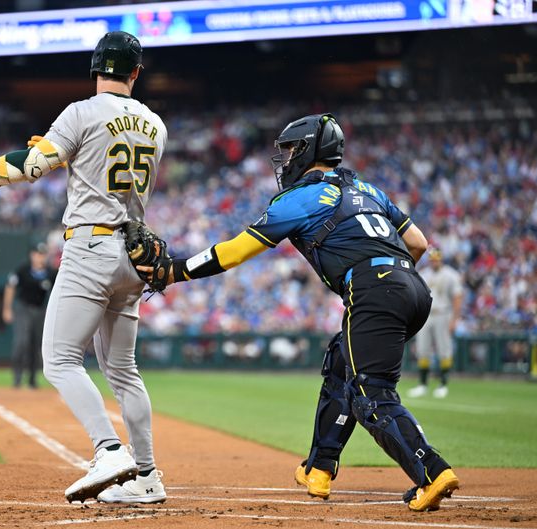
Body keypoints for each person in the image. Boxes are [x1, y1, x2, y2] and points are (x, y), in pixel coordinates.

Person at [144, 114, 459, 512]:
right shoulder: (366, 188)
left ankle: (432, 470)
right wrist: (390, 282)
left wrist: (175, 270)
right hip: (414, 288)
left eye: (291, 149)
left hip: (375, 290)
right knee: (341, 367)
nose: (287, 158)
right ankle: (319, 468)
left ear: (308, 149)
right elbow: (418, 241)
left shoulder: (299, 199)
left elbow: (236, 251)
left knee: (371, 395)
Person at [0, 31, 168, 505]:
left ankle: (108, 450)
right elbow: (95, 165)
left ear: (96, 69)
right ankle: (147, 476)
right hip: (135, 254)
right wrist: (66, 153)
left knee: (59, 361)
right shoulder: (155, 124)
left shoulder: (81, 111)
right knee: (124, 371)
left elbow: (31, 168)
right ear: (136, 73)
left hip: (90, 246)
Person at [408, 248, 464, 398]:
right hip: (426, 315)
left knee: (444, 349)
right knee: (422, 349)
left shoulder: (451, 274)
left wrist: (455, 319)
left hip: (443, 313)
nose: (434, 262)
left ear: (441, 259)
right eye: (432, 259)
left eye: (436, 259)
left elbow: (457, 297)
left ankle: (443, 384)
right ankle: (423, 384)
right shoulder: (424, 274)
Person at [3, 242, 57, 389]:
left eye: (43, 254)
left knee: (36, 345)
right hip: (23, 308)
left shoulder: (51, 273)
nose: (40, 257)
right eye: (37, 254)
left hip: (40, 310)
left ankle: (32, 379)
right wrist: (7, 308)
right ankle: (17, 377)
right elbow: (10, 286)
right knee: (21, 342)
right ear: (32, 255)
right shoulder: (23, 270)